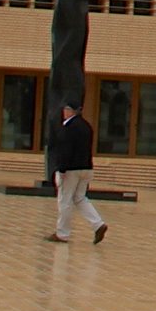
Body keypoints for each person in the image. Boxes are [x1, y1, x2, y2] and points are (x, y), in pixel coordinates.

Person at [45, 95, 104, 244]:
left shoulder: (68, 127)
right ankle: (98, 224)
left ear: (72, 111)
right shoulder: (86, 126)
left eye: (66, 109)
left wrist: (61, 169)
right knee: (80, 197)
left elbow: (66, 149)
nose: (64, 112)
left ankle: (62, 234)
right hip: (86, 167)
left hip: (71, 169)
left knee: (65, 200)